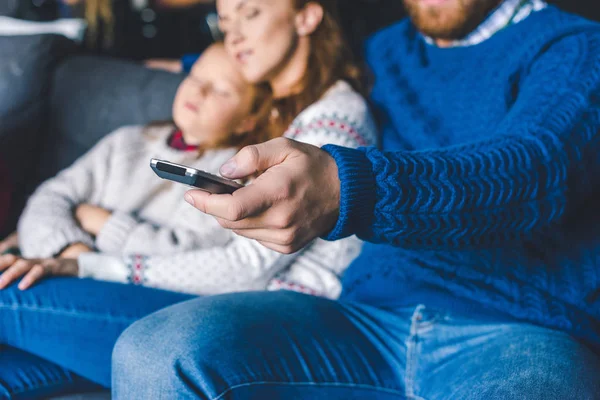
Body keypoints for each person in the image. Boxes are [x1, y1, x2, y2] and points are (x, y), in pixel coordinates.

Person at [111, 0, 600, 399]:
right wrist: (193, 66)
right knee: (153, 351)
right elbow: (284, 60)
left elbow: (535, 168)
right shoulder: (383, 52)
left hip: (522, 329)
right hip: (361, 317)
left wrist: (347, 188)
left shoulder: (576, 47)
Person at [0, 0, 376, 397]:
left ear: (307, 16)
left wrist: (90, 265)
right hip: (218, 305)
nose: (235, 37)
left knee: (8, 300)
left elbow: (245, 267)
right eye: (225, 23)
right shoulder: (276, 116)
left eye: (250, 14)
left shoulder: (331, 120)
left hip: (274, 321)